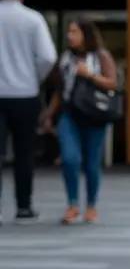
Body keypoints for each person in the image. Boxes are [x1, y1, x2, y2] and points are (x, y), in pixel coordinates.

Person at [40, 20, 118, 224]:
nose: (69, 36)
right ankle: (72, 204)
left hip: (94, 114)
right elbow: (59, 90)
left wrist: (90, 75)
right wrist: (49, 114)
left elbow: (112, 83)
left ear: (86, 34)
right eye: (69, 32)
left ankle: (91, 205)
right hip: (69, 114)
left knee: (91, 162)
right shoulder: (66, 59)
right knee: (69, 158)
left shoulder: (101, 56)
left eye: (74, 32)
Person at [0, 0, 57, 225]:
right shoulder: (33, 19)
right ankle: (24, 206)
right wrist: (33, 77)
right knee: (24, 152)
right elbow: (47, 57)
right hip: (24, 94)